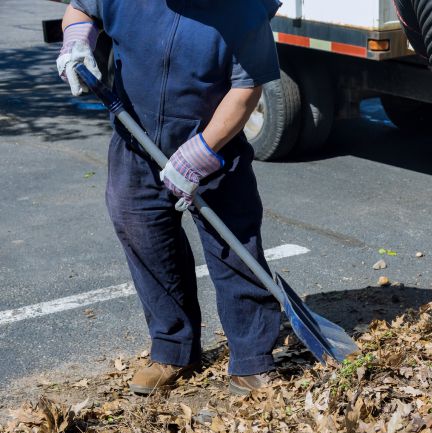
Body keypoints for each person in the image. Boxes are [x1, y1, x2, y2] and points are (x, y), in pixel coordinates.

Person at [57, 0, 285, 396]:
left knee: (234, 249)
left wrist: (201, 153)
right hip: (136, 142)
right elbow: (82, 9)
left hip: (214, 146)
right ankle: (173, 349)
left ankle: (252, 357)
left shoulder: (244, 9)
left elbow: (247, 88)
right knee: (145, 238)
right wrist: (76, 41)